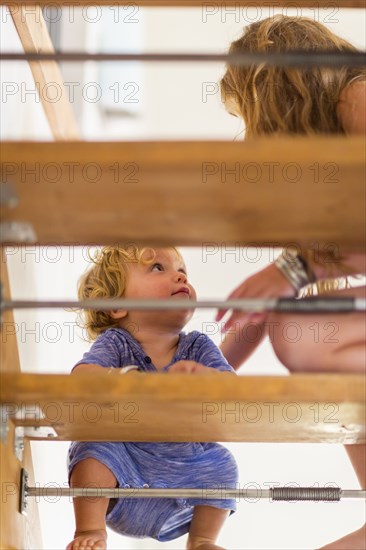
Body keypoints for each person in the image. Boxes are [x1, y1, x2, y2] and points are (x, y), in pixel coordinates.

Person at [218, 15, 366, 550]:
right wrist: (210, 372)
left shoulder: (358, 96)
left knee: (303, 333)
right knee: (301, 332)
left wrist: (294, 270)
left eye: (252, 115)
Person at [66, 245, 238, 550]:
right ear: (117, 306)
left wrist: (206, 378)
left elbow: (233, 390)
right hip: (123, 478)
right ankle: (89, 530)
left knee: (223, 462)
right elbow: (82, 377)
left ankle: (202, 540)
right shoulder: (117, 343)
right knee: (92, 446)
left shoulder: (198, 346)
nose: (179, 277)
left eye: (182, 271)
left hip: (187, 481)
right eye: (159, 268)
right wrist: (119, 380)